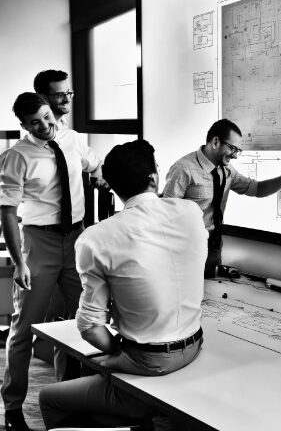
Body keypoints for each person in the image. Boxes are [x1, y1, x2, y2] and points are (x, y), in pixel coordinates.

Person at [39, 139, 208, 428]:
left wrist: (118, 354)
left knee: (49, 397)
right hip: (195, 347)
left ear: (114, 187)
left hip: (149, 361)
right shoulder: (191, 212)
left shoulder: (96, 238)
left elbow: (90, 327)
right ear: (154, 178)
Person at [0, 93, 106, 431]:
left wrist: (107, 175)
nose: (46, 126)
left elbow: (96, 165)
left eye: (48, 117)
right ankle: (13, 407)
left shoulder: (72, 138)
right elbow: (7, 212)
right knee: (23, 327)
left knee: (83, 322)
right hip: (38, 243)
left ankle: (73, 397)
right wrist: (19, 263)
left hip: (77, 239)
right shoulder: (16, 156)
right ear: (24, 126)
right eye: (35, 123)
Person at [162, 118, 281, 277]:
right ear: (215, 142)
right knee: (188, 298)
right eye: (233, 148)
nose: (236, 156)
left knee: (211, 295)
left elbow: (258, 189)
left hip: (214, 247)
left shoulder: (227, 171)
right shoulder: (183, 169)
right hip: (186, 251)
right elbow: (164, 216)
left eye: (238, 150)